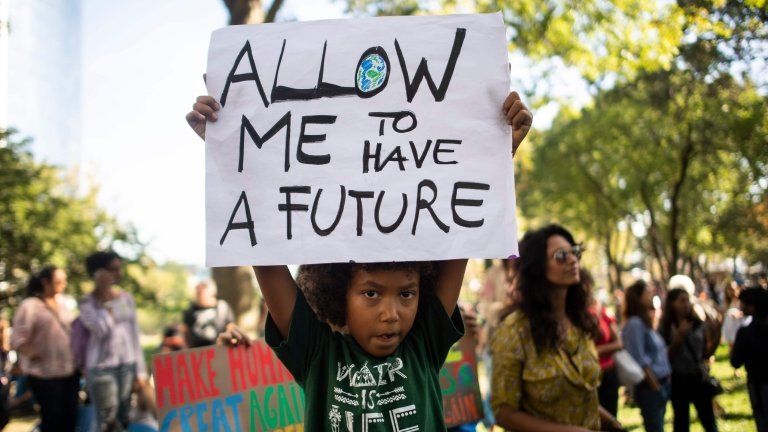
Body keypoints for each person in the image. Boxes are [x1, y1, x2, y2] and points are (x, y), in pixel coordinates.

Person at [191, 90, 532, 431]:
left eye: (406, 294)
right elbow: (263, 254)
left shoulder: (424, 343)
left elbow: (461, 226)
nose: (391, 313)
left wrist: (497, 152)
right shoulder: (316, 355)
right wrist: (228, 148)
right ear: (339, 294)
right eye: (371, 293)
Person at [490, 225, 623, 432]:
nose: (572, 260)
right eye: (561, 255)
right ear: (538, 267)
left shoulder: (579, 322)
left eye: (575, 252)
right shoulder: (514, 331)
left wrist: (613, 423)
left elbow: (579, 394)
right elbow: (503, 413)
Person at [80, 251, 146, 432]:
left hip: (127, 365)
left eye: (119, 269)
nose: (118, 274)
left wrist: (140, 371)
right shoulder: (87, 302)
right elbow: (101, 330)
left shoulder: (126, 299)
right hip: (101, 368)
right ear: (98, 273)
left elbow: (134, 335)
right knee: (107, 420)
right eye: (112, 269)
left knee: (123, 417)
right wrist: (105, 301)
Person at [10, 266, 79, 432]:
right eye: (59, 281)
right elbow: (17, 338)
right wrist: (31, 352)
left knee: (70, 418)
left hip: (69, 370)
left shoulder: (63, 303)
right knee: (52, 418)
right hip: (44, 374)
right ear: (46, 282)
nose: (63, 284)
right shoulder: (30, 306)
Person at [659, 288, 719, 432]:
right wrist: (678, 337)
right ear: (672, 303)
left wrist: (718, 334)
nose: (686, 304)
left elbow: (705, 353)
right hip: (678, 380)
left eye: (687, 300)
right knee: (681, 421)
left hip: (698, 377)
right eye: (682, 300)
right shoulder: (665, 328)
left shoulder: (697, 324)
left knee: (708, 420)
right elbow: (665, 357)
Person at [621, 279, 671, 432]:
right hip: (650, 388)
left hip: (660, 384)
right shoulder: (634, 324)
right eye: (647, 292)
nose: (651, 295)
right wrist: (655, 387)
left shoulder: (645, 322)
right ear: (638, 297)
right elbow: (639, 359)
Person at [730, 287, 768, 432]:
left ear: (752, 307)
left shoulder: (745, 332)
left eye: (743, 304)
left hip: (758, 385)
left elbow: (735, 361)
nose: (740, 307)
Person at [586, 270, 622, 418]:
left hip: (608, 373)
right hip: (590, 376)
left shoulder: (603, 313)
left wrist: (594, 350)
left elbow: (619, 343)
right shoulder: (575, 315)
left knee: (611, 416)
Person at [182, 280, 234, 348]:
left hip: (220, 349)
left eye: (201, 292)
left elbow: (231, 327)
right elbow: (185, 333)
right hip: (198, 353)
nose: (199, 295)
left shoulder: (222, 307)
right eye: (197, 292)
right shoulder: (190, 311)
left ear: (212, 293)